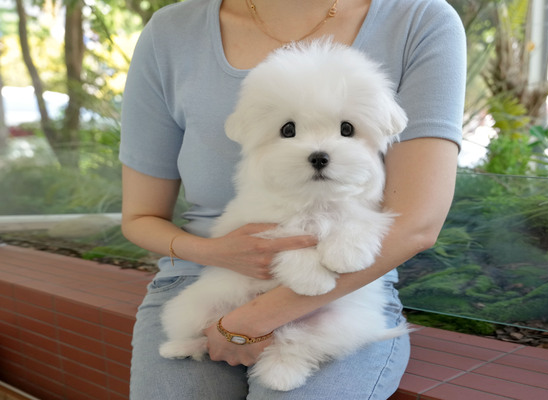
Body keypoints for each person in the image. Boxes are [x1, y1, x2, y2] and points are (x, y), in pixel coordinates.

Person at [119, 0, 465, 398]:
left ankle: (293, 352)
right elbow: (140, 216)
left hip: (351, 286)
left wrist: (250, 321)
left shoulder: (419, 19)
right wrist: (217, 252)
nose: (318, 150)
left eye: (346, 129)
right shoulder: (170, 31)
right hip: (205, 276)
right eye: (289, 131)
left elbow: (416, 225)